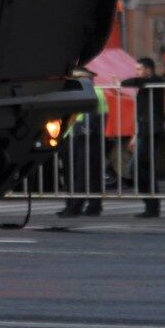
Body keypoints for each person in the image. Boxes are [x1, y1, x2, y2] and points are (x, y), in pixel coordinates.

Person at [121, 57, 165, 218]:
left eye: (139, 69)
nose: (137, 73)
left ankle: (152, 206)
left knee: (140, 168)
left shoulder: (155, 81)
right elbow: (141, 113)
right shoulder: (144, 84)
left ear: (148, 69)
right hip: (144, 131)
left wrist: (120, 82)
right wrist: (135, 135)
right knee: (141, 169)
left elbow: (130, 81)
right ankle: (151, 205)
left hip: (152, 131)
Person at [56, 71, 106, 218]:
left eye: (77, 78)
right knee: (77, 173)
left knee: (82, 173)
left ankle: (76, 207)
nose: (74, 80)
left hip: (85, 136)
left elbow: (95, 115)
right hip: (74, 135)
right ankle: (88, 206)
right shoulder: (75, 91)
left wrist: (87, 130)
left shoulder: (93, 91)